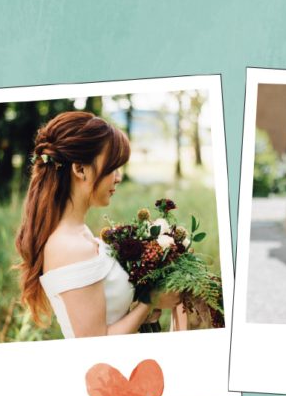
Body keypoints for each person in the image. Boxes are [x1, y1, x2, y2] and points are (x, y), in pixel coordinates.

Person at [14, 111, 180, 338]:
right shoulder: (69, 247)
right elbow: (97, 344)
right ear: (80, 169)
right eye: (112, 167)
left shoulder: (80, 233)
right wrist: (149, 302)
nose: (118, 177)